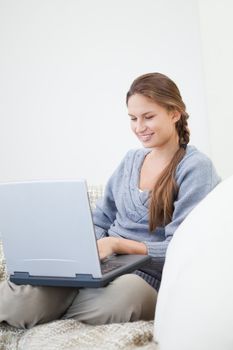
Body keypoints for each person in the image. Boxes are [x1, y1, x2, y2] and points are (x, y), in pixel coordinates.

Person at [0, 72, 221, 329]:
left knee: (118, 302)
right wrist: (82, 250)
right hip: (101, 265)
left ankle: (54, 307)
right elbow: (101, 217)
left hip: (145, 276)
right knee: (22, 300)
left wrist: (118, 244)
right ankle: (53, 298)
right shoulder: (131, 160)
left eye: (148, 117)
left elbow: (181, 248)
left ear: (175, 113)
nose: (139, 127)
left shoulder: (195, 168)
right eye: (133, 118)